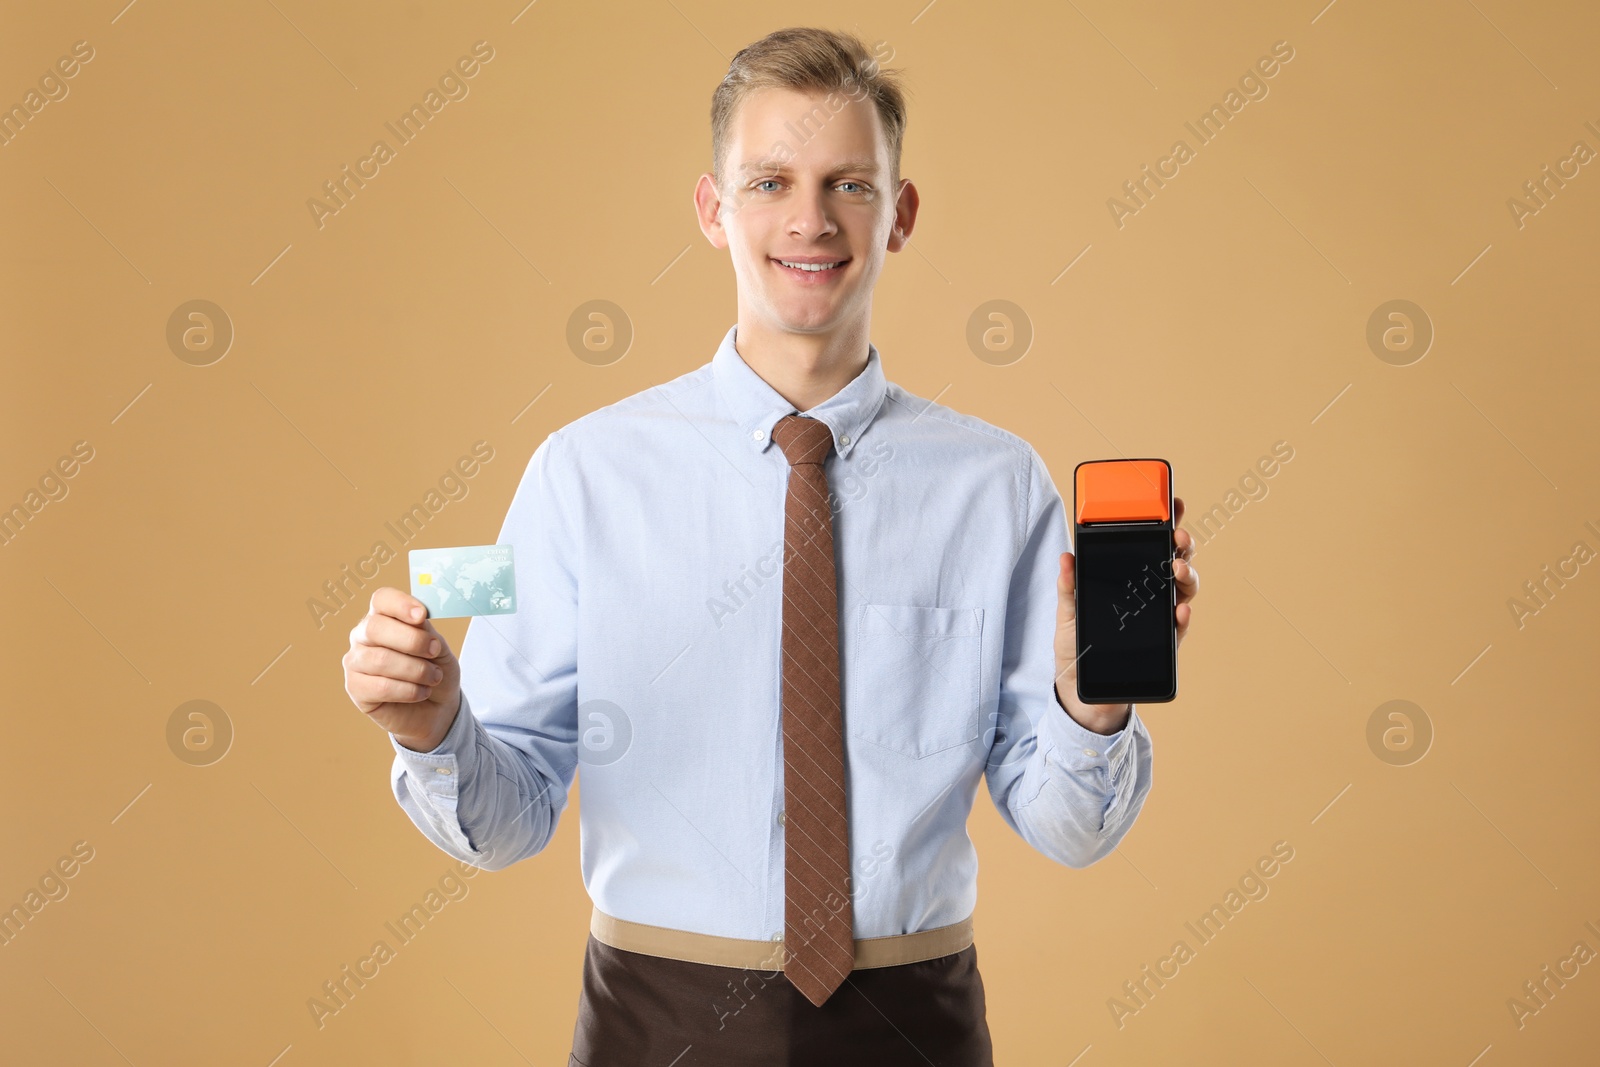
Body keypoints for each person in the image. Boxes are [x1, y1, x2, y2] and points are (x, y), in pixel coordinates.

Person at [342, 25, 1197, 1066]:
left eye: (849, 184)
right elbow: (509, 816)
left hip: (916, 1023)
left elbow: (1071, 829)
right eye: (768, 182)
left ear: (900, 214)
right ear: (713, 210)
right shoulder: (585, 475)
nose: (809, 218)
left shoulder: (996, 486)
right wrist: (434, 728)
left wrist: (1090, 697)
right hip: (652, 1022)